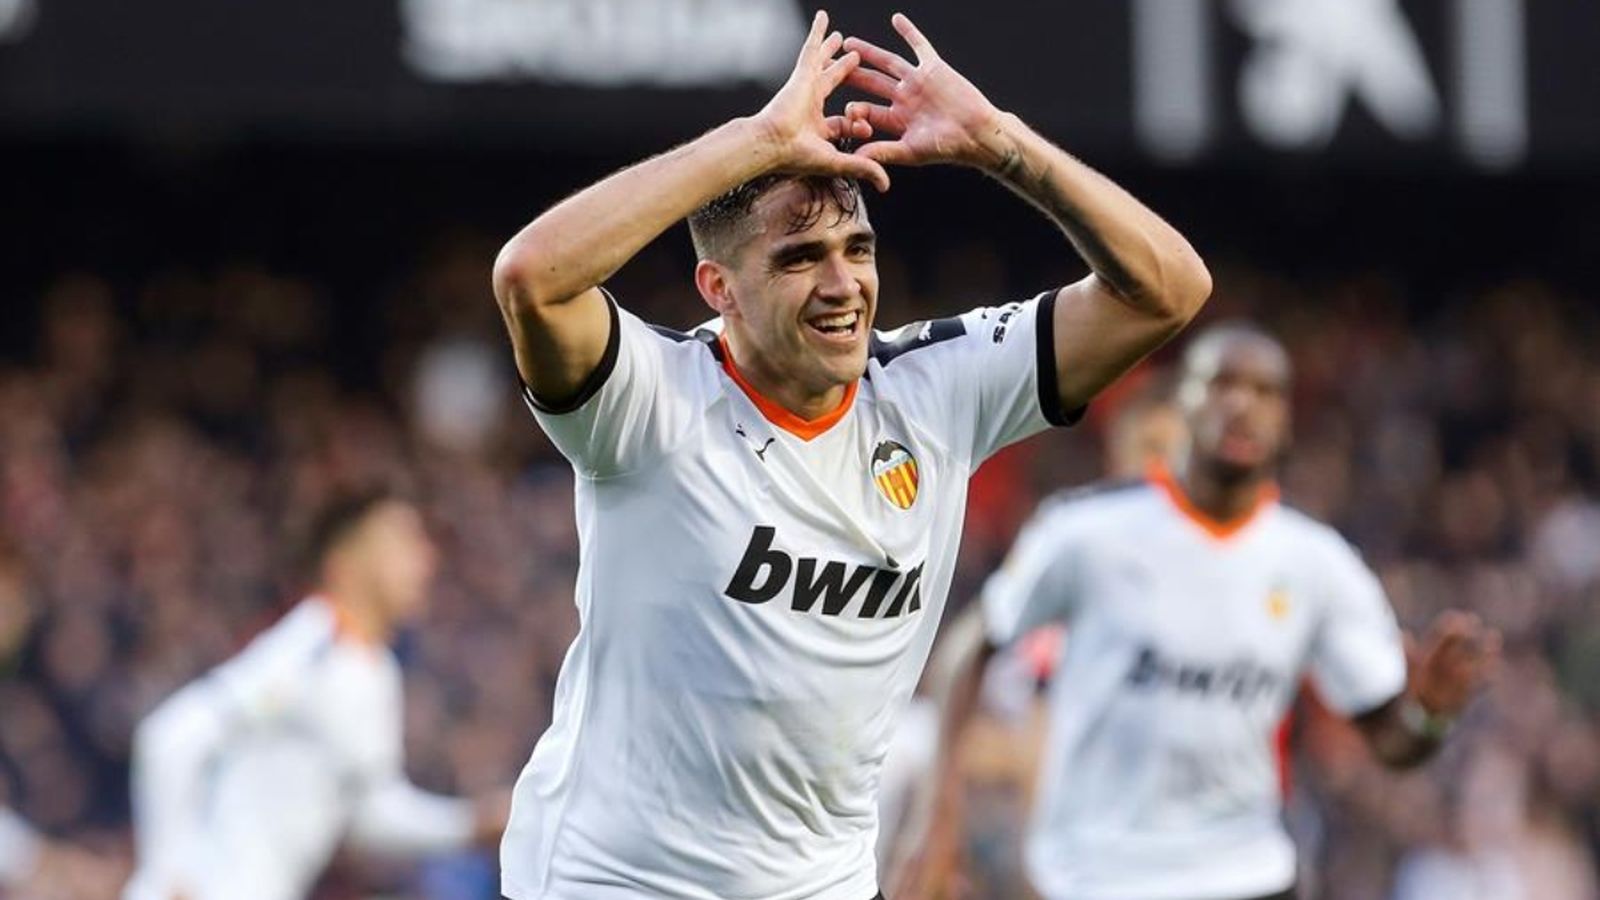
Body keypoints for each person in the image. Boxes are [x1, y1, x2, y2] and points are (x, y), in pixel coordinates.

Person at [490, 9, 1211, 899]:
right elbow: (531, 277)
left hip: (822, 883)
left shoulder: (937, 388)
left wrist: (1001, 144)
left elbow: (1170, 291)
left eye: (857, 248)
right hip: (616, 882)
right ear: (721, 289)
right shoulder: (650, 401)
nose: (843, 285)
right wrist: (752, 142)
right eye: (799, 258)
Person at [893, 322, 1502, 900]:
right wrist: (936, 824)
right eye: (1221, 384)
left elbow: (1391, 740)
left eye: (1264, 391)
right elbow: (972, 649)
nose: (1241, 404)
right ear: (1184, 406)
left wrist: (1429, 715)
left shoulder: (1318, 563)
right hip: (1098, 876)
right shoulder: (1085, 531)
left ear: (1288, 421)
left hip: (1245, 874)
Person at [122, 490, 509, 900]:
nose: (424, 560)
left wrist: (469, 825)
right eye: (401, 543)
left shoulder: (372, 669)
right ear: (344, 563)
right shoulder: (313, 647)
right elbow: (170, 736)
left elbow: (368, 812)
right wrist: (169, 875)